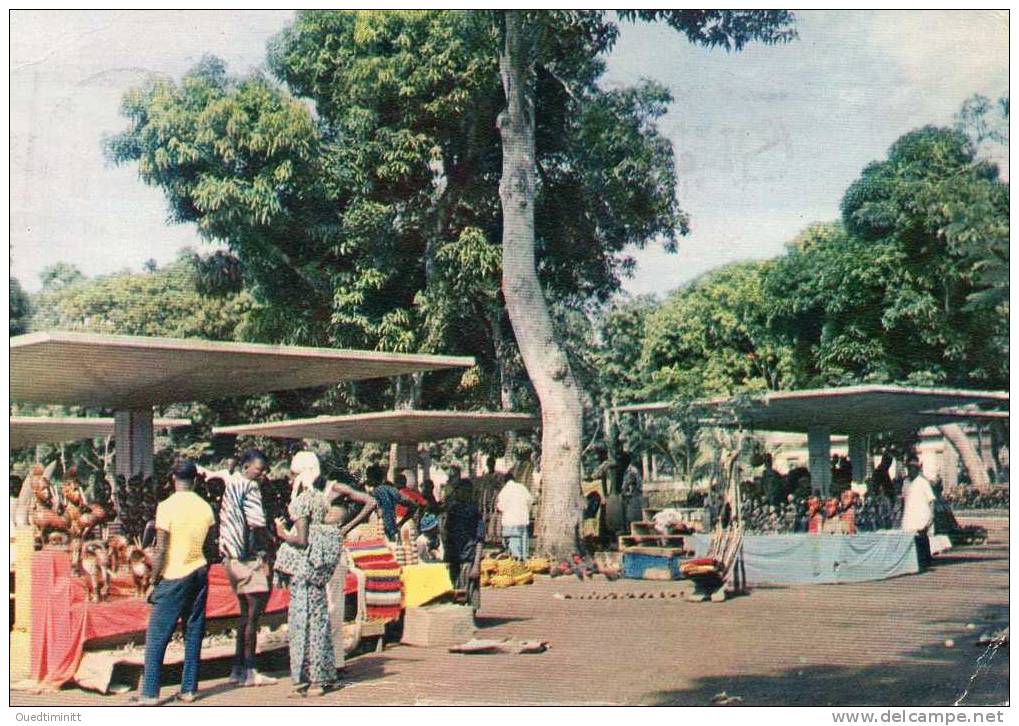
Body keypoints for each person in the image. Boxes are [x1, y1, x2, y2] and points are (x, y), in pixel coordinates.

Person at [137, 460, 215, 705]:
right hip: (199, 570)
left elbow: (160, 549)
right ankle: (189, 689)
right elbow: (210, 544)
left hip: (173, 574)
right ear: (195, 480)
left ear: (173, 478)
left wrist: (152, 580)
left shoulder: (166, 506)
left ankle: (150, 693)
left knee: (157, 635)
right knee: (193, 632)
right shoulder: (206, 507)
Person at [274, 469, 343, 697]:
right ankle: (322, 677)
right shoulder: (322, 501)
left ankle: (308, 682)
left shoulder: (302, 501)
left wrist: (282, 534)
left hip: (303, 573)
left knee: (302, 626)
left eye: (294, 475)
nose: (291, 480)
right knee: (319, 625)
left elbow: (302, 540)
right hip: (317, 573)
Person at [217, 449, 276, 687]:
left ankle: (237, 668)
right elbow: (257, 523)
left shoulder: (230, 484)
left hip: (229, 557)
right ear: (246, 467)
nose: (262, 474)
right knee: (254, 614)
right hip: (247, 558)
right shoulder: (250, 487)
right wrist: (265, 554)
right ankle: (251, 671)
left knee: (244, 614)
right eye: (259, 469)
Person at [443, 478, 484, 614]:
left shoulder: (474, 513)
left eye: (462, 491)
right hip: (454, 559)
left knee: (468, 596)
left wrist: (476, 564)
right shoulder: (452, 511)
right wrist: (447, 558)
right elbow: (447, 536)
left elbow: (479, 539)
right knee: (456, 596)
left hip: (468, 560)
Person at [901, 455, 935, 567]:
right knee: (910, 541)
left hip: (921, 517)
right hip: (909, 516)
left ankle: (925, 563)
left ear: (917, 469)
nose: (911, 470)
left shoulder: (923, 482)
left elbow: (931, 501)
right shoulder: (905, 482)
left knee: (922, 540)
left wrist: (931, 517)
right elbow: (903, 499)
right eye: (909, 468)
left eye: (913, 468)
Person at [496, 472, 533, 560]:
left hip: (510, 522)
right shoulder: (522, 487)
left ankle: (517, 564)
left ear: (504, 481)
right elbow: (530, 501)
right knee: (523, 545)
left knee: (514, 547)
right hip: (523, 521)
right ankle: (524, 562)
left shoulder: (504, 491)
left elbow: (501, 507)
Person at [364, 464, 405, 542]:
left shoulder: (374, 492)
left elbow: (378, 511)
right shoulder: (391, 489)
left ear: (371, 478)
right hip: (392, 527)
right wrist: (402, 522)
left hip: (380, 529)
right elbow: (412, 504)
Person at [475, 456, 505, 544]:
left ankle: (495, 536)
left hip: (494, 499)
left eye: (491, 463)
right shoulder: (485, 476)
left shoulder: (498, 476)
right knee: (484, 518)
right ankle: (485, 536)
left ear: (494, 464)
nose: (490, 465)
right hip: (485, 500)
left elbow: (500, 487)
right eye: (488, 463)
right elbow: (482, 488)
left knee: (495, 517)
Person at [620, 451, 643, 527]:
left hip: (634, 498)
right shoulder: (627, 470)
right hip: (630, 498)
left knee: (632, 519)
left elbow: (633, 485)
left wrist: (628, 494)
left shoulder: (631, 471)